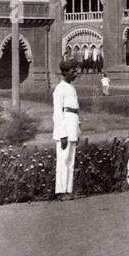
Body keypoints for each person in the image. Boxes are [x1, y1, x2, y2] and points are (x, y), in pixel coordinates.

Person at [51, 58, 81, 200]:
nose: (75, 73)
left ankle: (69, 190)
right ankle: (61, 191)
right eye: (72, 71)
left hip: (72, 129)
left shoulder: (71, 88)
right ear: (64, 73)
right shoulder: (59, 89)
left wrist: (77, 131)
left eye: (75, 70)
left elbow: (75, 112)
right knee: (63, 161)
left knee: (71, 161)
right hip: (64, 131)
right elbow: (58, 113)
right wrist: (62, 134)